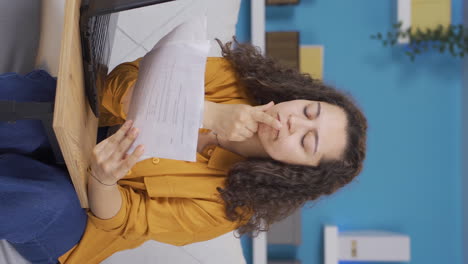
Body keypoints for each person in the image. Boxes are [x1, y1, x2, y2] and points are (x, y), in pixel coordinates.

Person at [0, 39, 367, 264]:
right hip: (83, 125)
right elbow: (120, 82)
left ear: (298, 170)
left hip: (79, 213)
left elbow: (122, 221)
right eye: (308, 111)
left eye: (306, 142)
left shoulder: (228, 209)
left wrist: (102, 178)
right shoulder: (233, 80)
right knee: (34, 108)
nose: (294, 124)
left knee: (47, 199)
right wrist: (207, 112)